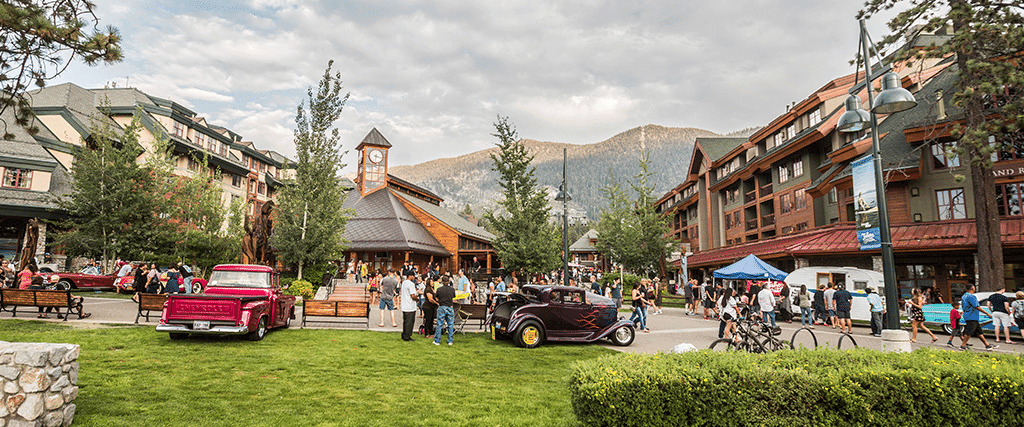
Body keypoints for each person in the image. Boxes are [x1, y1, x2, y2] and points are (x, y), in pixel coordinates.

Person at [960, 283, 997, 351]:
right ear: (972, 289)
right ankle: (963, 345)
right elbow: (977, 306)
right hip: (972, 315)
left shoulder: (964, 296)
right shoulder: (971, 296)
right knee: (969, 332)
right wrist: (987, 313)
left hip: (968, 315)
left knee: (979, 332)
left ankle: (987, 345)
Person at [434, 275, 456, 346]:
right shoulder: (452, 290)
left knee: (439, 324)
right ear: (449, 281)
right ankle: (450, 340)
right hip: (449, 307)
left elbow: (436, 298)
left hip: (442, 306)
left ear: (442, 282)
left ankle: (437, 340)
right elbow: (453, 298)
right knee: (450, 324)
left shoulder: (439, 289)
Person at [400, 272, 419, 341]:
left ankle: (404, 334)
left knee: (405, 321)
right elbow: (412, 295)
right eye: (413, 276)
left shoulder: (404, 283)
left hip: (404, 305)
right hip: (410, 306)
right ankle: (407, 336)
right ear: (410, 276)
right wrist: (417, 298)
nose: (414, 277)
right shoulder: (411, 284)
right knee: (410, 322)